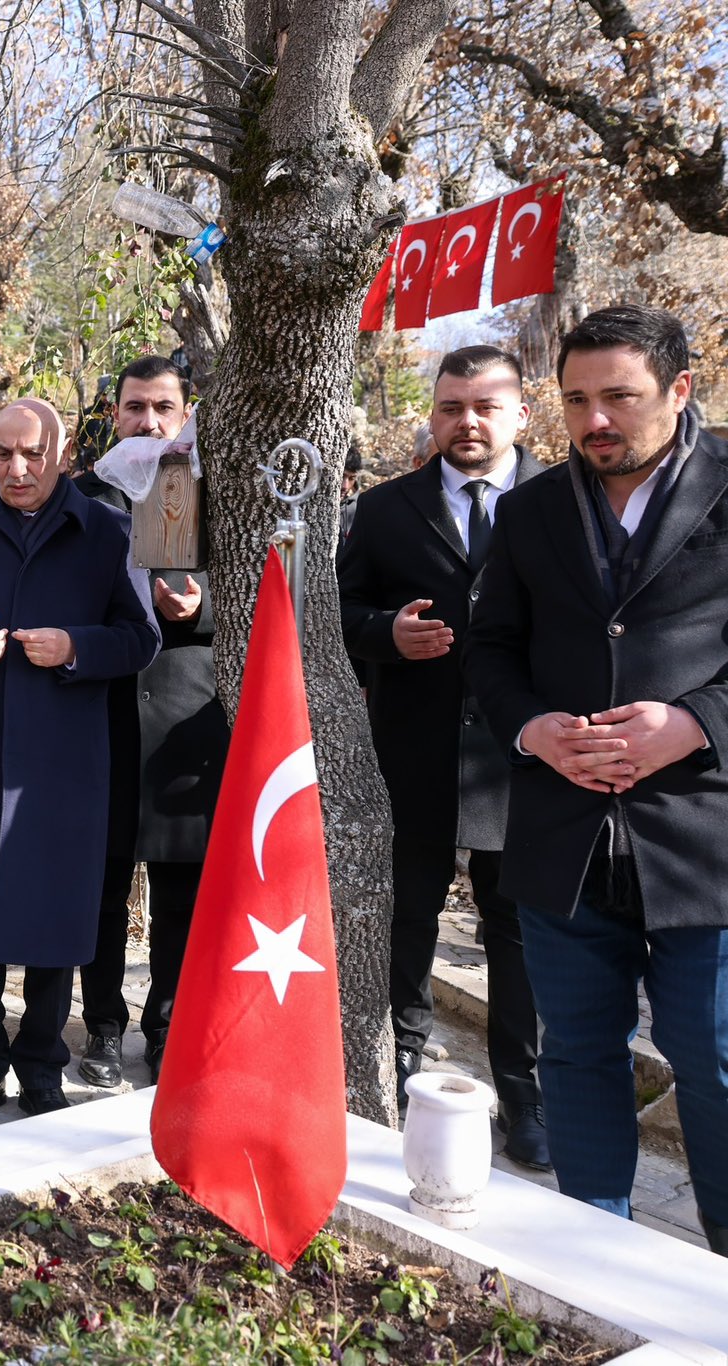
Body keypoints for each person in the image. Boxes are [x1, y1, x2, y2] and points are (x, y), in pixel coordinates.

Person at [466, 305, 728, 1257]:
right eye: (576, 400)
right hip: (561, 842)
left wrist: (695, 724)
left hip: (705, 842)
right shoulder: (530, 507)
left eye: (619, 395)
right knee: (575, 1058)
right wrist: (531, 728)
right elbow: (492, 651)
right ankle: (595, 1263)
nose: (594, 420)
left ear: (680, 389)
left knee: (715, 1066)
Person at [0, 398, 159, 1136]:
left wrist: (74, 647)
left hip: (63, 764)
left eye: (32, 454)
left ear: (63, 453)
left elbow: (140, 639)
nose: (16, 469)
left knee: (56, 919)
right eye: (3, 453)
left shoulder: (106, 531)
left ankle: (42, 1068)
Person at [340, 345, 549, 1166]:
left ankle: (524, 1095)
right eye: (451, 406)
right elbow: (338, 604)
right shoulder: (388, 508)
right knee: (407, 921)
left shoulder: (561, 502)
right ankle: (397, 1061)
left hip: (525, 759)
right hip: (414, 755)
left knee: (517, 936)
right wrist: (383, 634)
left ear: (520, 414)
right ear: (433, 413)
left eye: (485, 406)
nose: (467, 421)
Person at [73, 356, 229, 1088]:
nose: (150, 422)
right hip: (100, 717)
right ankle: (102, 1026)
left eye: (163, 406)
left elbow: (269, 594)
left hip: (186, 722)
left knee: (181, 895)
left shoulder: (217, 490)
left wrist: (204, 609)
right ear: (116, 412)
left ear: (186, 409)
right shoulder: (84, 495)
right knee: (98, 888)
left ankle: (169, 1025)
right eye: (135, 407)